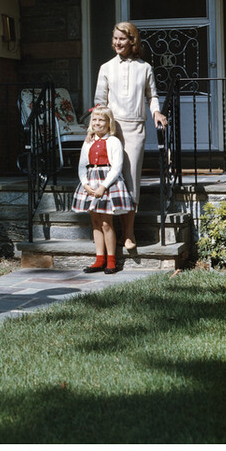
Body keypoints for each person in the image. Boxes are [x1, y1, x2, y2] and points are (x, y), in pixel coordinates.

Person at [93, 21, 167, 250]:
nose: (117, 43)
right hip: (112, 130)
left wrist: (156, 111)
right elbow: (99, 102)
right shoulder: (106, 67)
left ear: (132, 41)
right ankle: (108, 232)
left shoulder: (144, 68)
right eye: (115, 38)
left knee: (131, 179)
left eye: (122, 39)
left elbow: (151, 95)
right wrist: (95, 131)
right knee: (111, 178)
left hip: (135, 128)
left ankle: (129, 233)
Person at [72, 106, 134, 274]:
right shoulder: (89, 141)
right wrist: (85, 184)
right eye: (95, 120)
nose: (97, 123)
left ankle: (111, 261)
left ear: (109, 123)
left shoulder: (113, 141)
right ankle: (99, 259)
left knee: (106, 223)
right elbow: (82, 165)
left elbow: (117, 167)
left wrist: (103, 187)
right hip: (91, 181)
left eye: (101, 120)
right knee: (96, 223)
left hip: (107, 183)